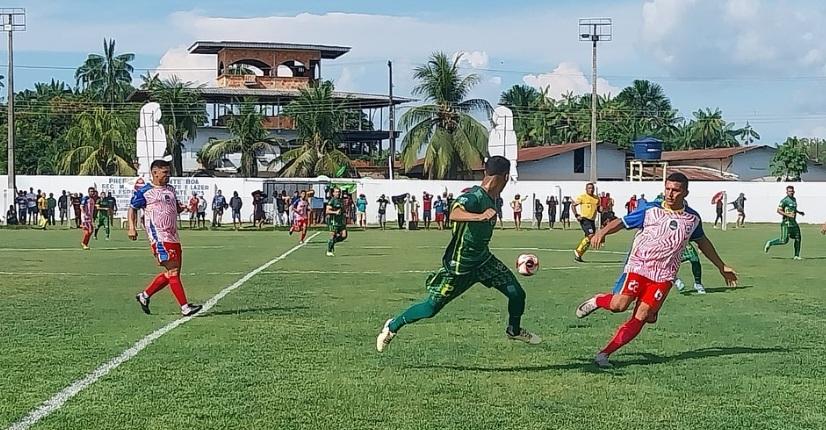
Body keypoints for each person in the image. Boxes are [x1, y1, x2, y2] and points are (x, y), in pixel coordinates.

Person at [376, 156, 541, 353]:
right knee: (430, 308)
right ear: (504, 177)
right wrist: (478, 217)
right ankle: (392, 327)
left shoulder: (493, 198)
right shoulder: (475, 196)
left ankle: (513, 330)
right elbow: (454, 213)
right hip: (459, 266)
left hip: (483, 261)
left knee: (517, 294)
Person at [575, 173, 737, 368]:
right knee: (620, 305)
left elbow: (703, 242)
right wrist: (602, 232)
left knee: (642, 316)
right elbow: (623, 222)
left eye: (675, 190)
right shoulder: (650, 210)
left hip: (664, 276)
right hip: (638, 267)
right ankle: (598, 300)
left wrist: (721, 266)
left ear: (685, 192)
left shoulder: (692, 219)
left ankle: (604, 354)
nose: (670, 193)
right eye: (667, 189)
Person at [131, 159, 203, 317]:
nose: (168, 176)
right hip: (159, 237)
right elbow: (132, 208)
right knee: (173, 270)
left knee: (173, 274)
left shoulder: (170, 189)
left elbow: (175, 208)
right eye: (164, 173)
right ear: (154, 173)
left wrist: (183, 208)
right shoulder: (145, 191)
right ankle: (185, 307)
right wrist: (132, 227)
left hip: (173, 236)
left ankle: (144, 296)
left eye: (169, 172)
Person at [764, 186, 804, 259]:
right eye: (789, 191)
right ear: (787, 192)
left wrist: (799, 212)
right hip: (786, 223)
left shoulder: (794, 199)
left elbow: (793, 209)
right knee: (784, 241)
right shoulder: (784, 200)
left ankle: (796, 255)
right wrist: (788, 215)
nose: (791, 192)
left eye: (792, 191)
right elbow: (778, 210)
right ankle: (770, 243)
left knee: (798, 238)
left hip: (793, 223)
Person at [573, 183, 600, 263]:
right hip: (584, 219)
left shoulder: (597, 198)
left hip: (592, 220)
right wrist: (576, 215)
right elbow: (573, 205)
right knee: (591, 235)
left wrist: (600, 209)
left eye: (592, 188)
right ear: (586, 189)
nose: (591, 190)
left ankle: (579, 256)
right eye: (589, 188)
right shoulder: (582, 197)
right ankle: (578, 250)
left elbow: (598, 209)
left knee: (589, 239)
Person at [326, 188, 348, 256]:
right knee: (332, 236)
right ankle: (329, 251)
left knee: (344, 236)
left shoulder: (341, 200)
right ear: (333, 193)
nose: (338, 193)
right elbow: (327, 211)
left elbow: (342, 210)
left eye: (339, 192)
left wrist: (344, 213)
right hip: (333, 221)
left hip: (341, 221)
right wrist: (335, 212)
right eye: (336, 192)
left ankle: (332, 243)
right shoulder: (332, 200)